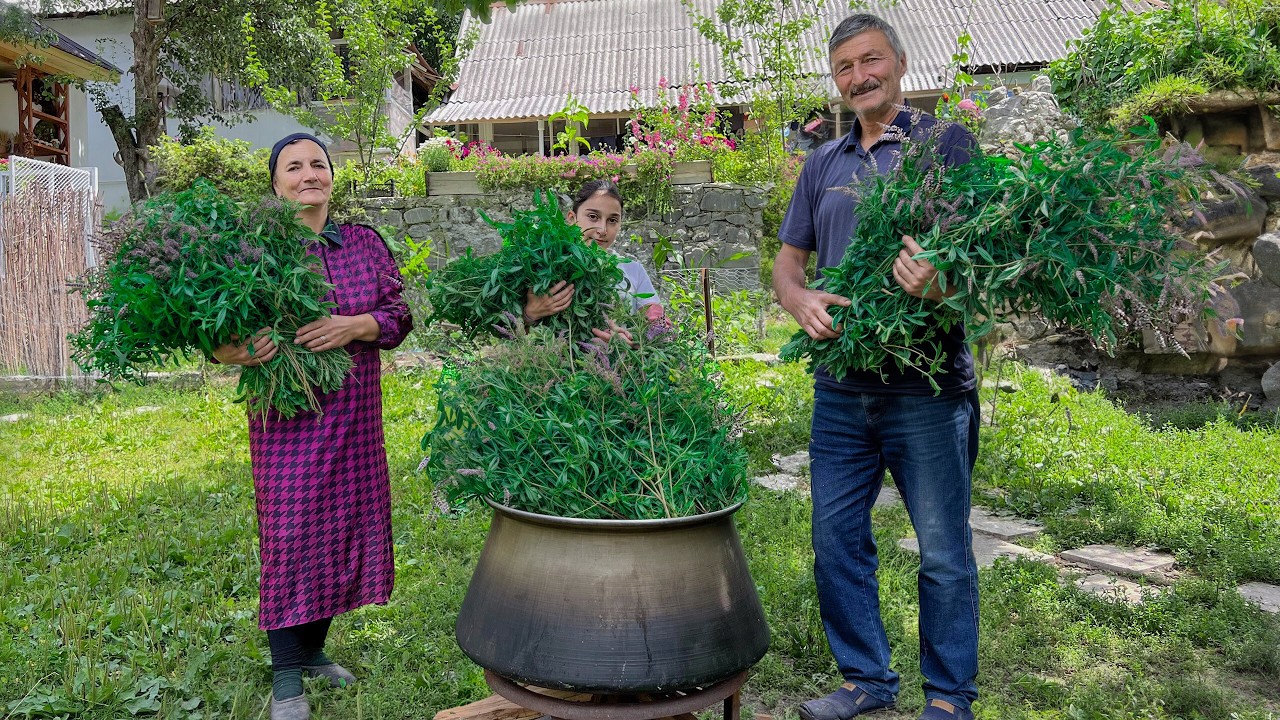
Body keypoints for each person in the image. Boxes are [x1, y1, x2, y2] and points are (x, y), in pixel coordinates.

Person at [772, 13, 981, 720]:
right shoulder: (823, 163)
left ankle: (950, 697)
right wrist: (797, 299)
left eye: (870, 61)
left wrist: (940, 283)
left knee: (943, 551)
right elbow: (787, 262)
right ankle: (866, 680)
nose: (859, 77)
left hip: (924, 385)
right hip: (839, 388)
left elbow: (984, 268)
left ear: (898, 61)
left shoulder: (946, 146)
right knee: (835, 542)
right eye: (844, 68)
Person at [211, 133, 413, 720]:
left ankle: (314, 651)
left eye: (318, 164)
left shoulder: (365, 245)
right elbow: (213, 335)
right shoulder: (254, 250)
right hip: (288, 421)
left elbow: (399, 314)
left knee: (343, 527)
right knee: (292, 534)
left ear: (332, 176)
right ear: (275, 184)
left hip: (354, 419)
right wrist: (237, 350)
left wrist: (354, 325)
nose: (308, 175)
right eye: (293, 167)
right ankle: (286, 680)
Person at [522, 179, 667, 336]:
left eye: (612, 220)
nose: (602, 229)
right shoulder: (543, 265)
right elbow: (503, 333)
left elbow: (661, 328)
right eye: (593, 216)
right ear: (571, 218)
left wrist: (632, 341)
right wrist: (529, 314)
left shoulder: (633, 270)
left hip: (621, 360)